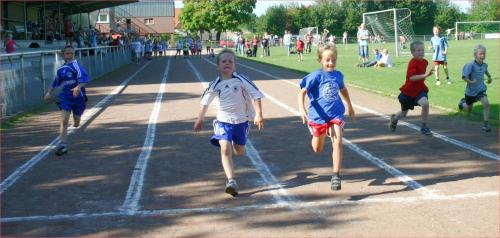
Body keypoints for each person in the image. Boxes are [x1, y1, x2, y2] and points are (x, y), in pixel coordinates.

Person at [194, 48, 264, 196]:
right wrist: (200, 119)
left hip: (241, 122)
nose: (227, 63)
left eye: (230, 61)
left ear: (235, 65)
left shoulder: (241, 80)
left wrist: (258, 114)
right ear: (218, 66)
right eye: (224, 61)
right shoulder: (215, 84)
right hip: (223, 122)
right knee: (225, 149)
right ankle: (231, 180)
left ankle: (236, 144)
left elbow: (256, 95)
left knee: (240, 151)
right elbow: (205, 102)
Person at [298, 43, 355, 191]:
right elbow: (302, 92)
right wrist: (301, 109)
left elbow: (343, 90)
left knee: (338, 141)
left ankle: (336, 175)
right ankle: (320, 133)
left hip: (335, 114)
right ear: (320, 61)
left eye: (333, 60)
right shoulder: (316, 76)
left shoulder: (338, 75)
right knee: (317, 148)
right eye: (327, 60)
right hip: (318, 117)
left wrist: (349, 105)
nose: (331, 63)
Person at [44, 45, 89, 156]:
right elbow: (55, 82)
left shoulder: (76, 66)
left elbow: (84, 80)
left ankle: (77, 120)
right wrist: (49, 93)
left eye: (71, 53)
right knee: (64, 121)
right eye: (67, 53)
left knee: (77, 122)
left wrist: (78, 87)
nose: (69, 55)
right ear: (63, 55)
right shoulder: (61, 70)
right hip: (66, 97)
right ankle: (63, 145)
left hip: (78, 98)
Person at [389, 41, 434, 136]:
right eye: (418, 50)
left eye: (422, 50)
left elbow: (420, 77)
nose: (421, 52)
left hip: (420, 90)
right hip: (408, 93)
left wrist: (425, 75)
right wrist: (425, 75)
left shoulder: (425, 62)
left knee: (425, 104)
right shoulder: (412, 63)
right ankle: (395, 118)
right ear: (413, 53)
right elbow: (412, 78)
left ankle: (424, 126)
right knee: (403, 114)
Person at [458, 44, 493, 132]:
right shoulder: (470, 65)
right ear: (475, 55)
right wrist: (471, 82)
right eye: (480, 54)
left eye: (484, 54)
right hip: (471, 92)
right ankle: (462, 104)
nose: (483, 55)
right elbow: (464, 77)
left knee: (486, 104)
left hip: (481, 90)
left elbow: (486, 71)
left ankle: (485, 124)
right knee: (468, 108)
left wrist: (489, 77)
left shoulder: (484, 65)